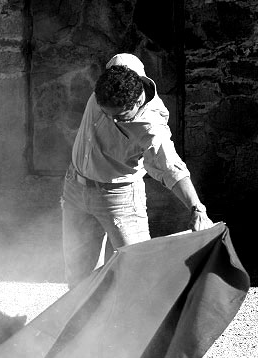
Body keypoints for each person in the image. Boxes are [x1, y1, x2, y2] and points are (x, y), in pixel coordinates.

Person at [61, 53, 214, 288]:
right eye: (105, 112)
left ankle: (140, 324)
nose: (110, 121)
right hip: (75, 189)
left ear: (136, 103)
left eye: (119, 116)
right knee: (78, 278)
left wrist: (196, 208)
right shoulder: (121, 69)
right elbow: (123, 60)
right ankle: (87, 325)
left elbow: (170, 166)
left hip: (119, 198)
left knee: (137, 272)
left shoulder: (151, 126)